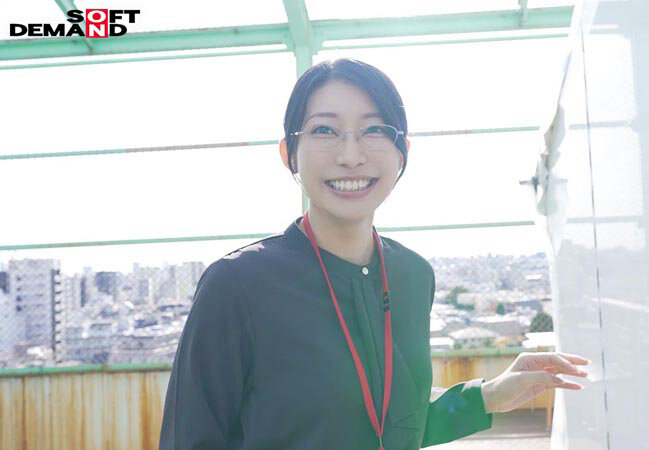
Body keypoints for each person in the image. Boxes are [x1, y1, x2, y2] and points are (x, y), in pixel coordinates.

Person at [158, 58, 590, 450]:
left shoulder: (412, 275)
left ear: (403, 153)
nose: (351, 156)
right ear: (289, 154)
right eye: (324, 130)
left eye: (375, 130)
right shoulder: (237, 284)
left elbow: (396, 425)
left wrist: (491, 394)